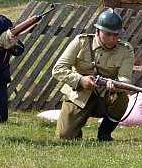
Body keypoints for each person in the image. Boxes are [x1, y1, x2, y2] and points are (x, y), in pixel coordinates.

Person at [52, 8, 135, 141]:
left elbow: (125, 79)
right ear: (97, 31)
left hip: (105, 97)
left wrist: (116, 85)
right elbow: (58, 69)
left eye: (116, 35)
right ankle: (75, 132)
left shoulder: (126, 50)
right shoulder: (81, 42)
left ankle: (105, 133)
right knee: (65, 136)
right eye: (107, 34)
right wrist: (80, 80)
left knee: (121, 98)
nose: (112, 39)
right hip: (79, 95)